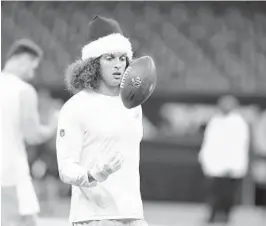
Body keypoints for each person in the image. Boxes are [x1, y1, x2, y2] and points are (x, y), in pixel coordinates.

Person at [56, 15, 148, 226]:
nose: (118, 65)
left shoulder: (133, 105)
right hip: (93, 217)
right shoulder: (75, 106)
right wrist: (93, 174)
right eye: (109, 58)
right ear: (93, 64)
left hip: (132, 213)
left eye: (122, 58)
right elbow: (66, 168)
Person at [0, 39, 58, 226]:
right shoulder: (23, 90)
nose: (32, 74)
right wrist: (52, 125)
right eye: (33, 67)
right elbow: (32, 135)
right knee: (26, 222)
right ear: (23, 59)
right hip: (9, 172)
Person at [198, 95, 250, 224]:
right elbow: (208, 142)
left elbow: (240, 145)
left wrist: (233, 165)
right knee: (213, 193)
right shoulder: (215, 121)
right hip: (214, 166)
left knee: (228, 195)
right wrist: (205, 159)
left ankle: (226, 215)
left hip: (231, 166)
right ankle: (213, 215)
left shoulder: (239, 123)